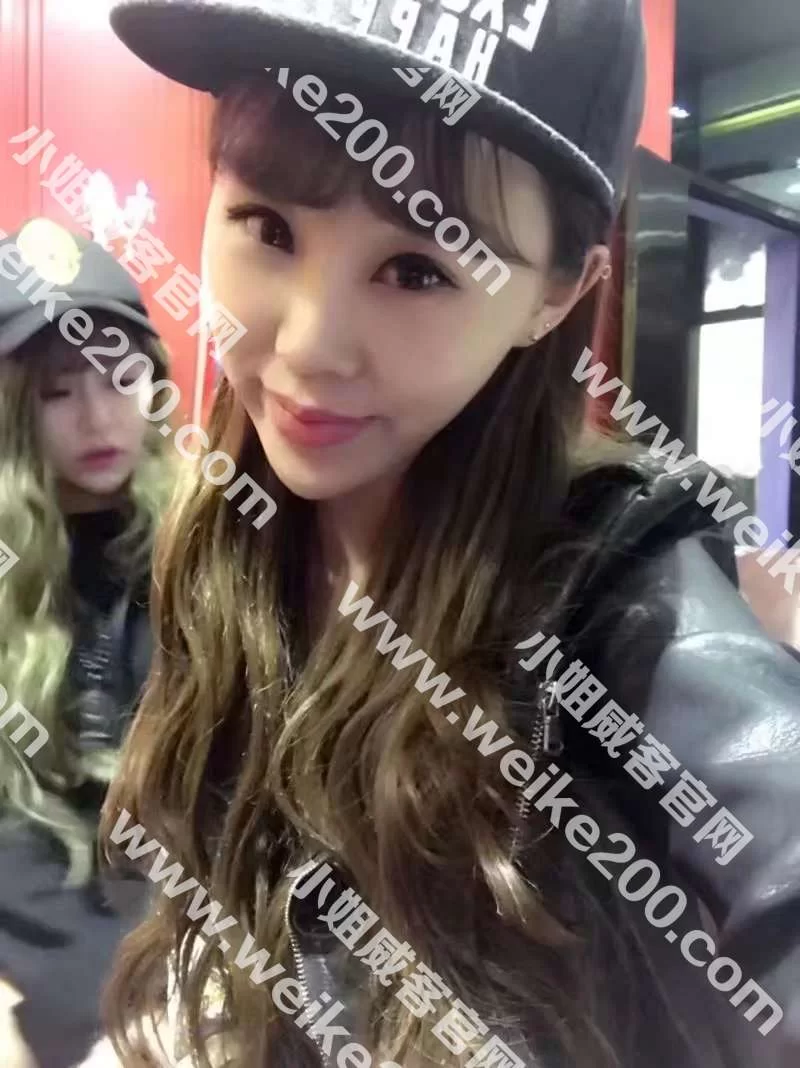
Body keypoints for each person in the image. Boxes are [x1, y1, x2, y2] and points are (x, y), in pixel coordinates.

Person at [101, 2, 800, 1066]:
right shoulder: (224, 533)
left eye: (417, 269)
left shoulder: (619, 602)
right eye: (268, 227)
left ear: (555, 295)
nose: (310, 344)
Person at [0, 219, 175, 1067]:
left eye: (121, 377)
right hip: (56, 989)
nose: (102, 417)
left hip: (204, 976)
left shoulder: (209, 548)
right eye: (58, 391)